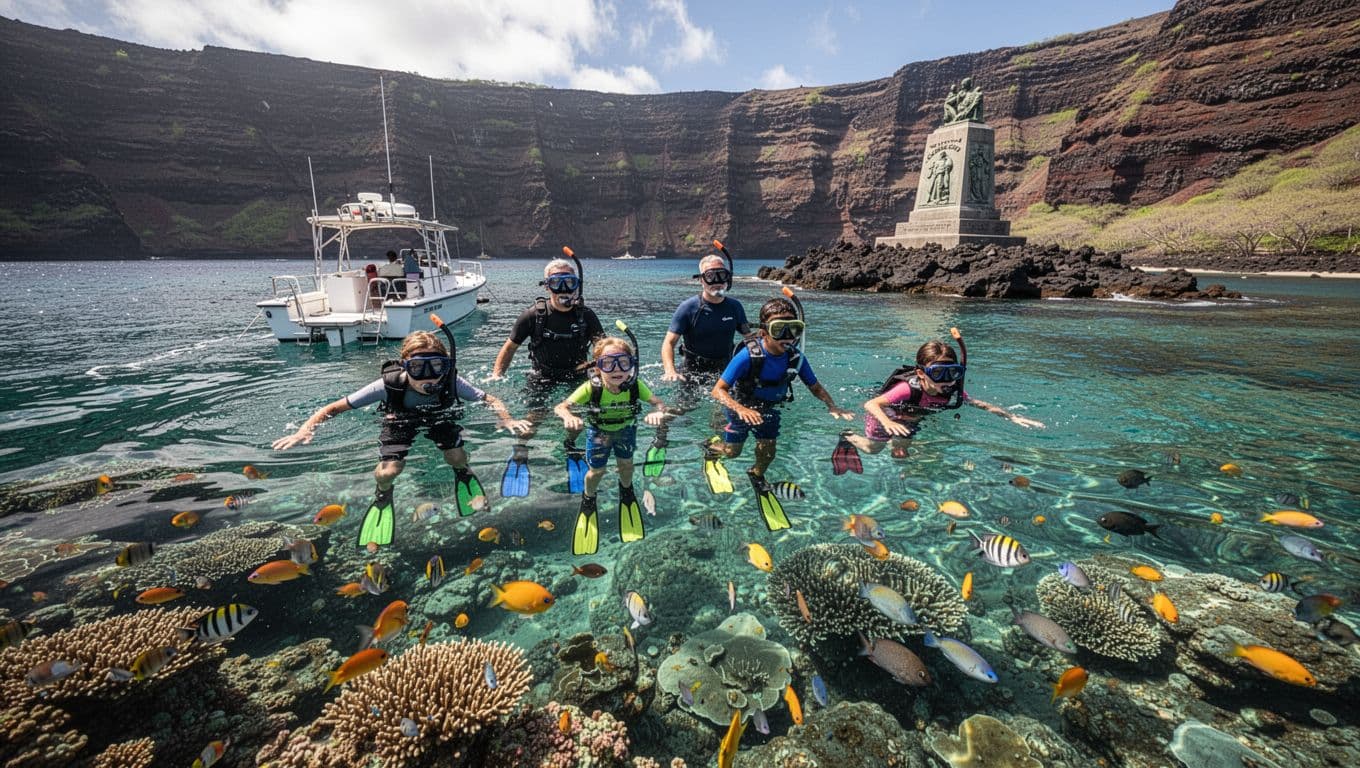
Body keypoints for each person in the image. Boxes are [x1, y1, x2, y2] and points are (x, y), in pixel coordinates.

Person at [272, 329, 530, 549]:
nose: (428, 376)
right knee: (389, 471)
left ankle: (463, 473)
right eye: (418, 368)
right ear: (406, 365)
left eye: (436, 366)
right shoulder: (387, 385)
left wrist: (505, 418)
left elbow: (490, 399)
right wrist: (304, 429)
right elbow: (333, 408)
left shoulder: (452, 380)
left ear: (446, 366)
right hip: (399, 419)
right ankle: (383, 493)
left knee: (456, 457)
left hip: (439, 416)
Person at [709, 295, 854, 530]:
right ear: (764, 332)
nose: (788, 336)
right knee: (733, 452)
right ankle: (712, 448)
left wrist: (832, 406)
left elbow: (814, 386)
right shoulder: (748, 355)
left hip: (769, 410)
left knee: (769, 452)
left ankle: (756, 474)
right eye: (779, 329)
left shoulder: (796, 357)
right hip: (741, 406)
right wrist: (741, 409)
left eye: (793, 328)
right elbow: (718, 390)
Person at [839, 328, 1044, 467]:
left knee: (902, 453)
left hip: (909, 419)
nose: (947, 381)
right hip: (886, 413)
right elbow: (871, 404)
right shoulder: (907, 389)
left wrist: (1012, 417)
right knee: (873, 449)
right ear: (921, 374)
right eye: (938, 374)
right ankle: (847, 435)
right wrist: (886, 421)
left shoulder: (950, 392)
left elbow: (982, 405)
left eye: (952, 374)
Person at [491, 255, 604, 496]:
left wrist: (609, 369)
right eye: (557, 283)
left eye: (569, 282)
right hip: (542, 376)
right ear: (547, 286)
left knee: (580, 417)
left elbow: (602, 346)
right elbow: (509, 348)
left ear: (577, 285)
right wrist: (496, 376)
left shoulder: (587, 315)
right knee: (534, 418)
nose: (564, 289)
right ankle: (521, 449)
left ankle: (571, 445)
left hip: (577, 375)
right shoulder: (533, 315)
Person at [554, 322, 667, 555]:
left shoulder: (635, 386)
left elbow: (658, 402)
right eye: (608, 363)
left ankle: (626, 490)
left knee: (626, 466)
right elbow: (561, 406)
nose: (617, 369)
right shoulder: (591, 388)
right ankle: (589, 497)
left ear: (631, 366)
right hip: (599, 432)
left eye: (623, 363)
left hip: (626, 430)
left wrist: (658, 412)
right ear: (597, 367)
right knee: (597, 471)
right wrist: (568, 416)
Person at [652, 251, 751, 477]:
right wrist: (670, 369)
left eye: (721, 275)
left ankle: (712, 447)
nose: (717, 282)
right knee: (685, 408)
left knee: (722, 409)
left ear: (729, 278)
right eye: (711, 276)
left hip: (724, 369)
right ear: (701, 279)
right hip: (693, 368)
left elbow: (749, 338)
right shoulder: (689, 308)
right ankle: (662, 430)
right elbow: (669, 342)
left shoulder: (735, 307)